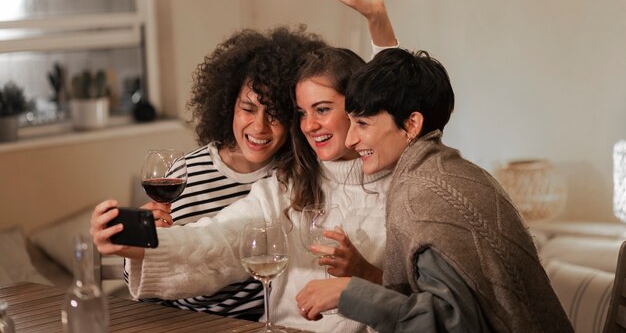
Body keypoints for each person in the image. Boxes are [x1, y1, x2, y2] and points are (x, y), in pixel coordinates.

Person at [91, 46, 393, 333]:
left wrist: (365, 277)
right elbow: (219, 240)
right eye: (302, 113)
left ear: (359, 106)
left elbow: (428, 303)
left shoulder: (404, 188)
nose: (309, 125)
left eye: (322, 109)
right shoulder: (290, 184)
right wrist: (142, 246)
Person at [295, 48, 574, 333]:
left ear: (411, 124)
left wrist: (349, 294)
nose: (352, 139)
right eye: (351, 122)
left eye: (363, 124)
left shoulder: (420, 196)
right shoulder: (459, 173)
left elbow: (452, 324)